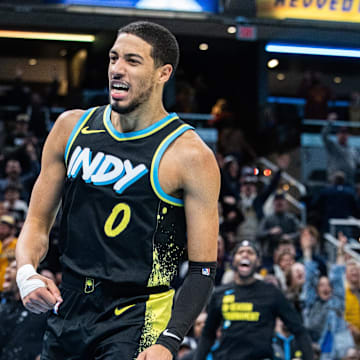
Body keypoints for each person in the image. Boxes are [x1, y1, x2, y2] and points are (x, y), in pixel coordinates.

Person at [15, 21, 220, 360]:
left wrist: (168, 342)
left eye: (133, 61)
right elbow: (37, 222)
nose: (117, 69)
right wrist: (26, 273)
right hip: (70, 304)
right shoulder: (70, 127)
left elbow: (202, 269)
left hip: (138, 314)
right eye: (114, 58)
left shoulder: (190, 155)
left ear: (162, 73)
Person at [193, 240, 313, 360]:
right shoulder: (219, 294)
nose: (245, 254)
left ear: (258, 262)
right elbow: (207, 335)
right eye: (240, 252)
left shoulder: (272, 293)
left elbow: (299, 330)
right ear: (233, 261)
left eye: (250, 252)